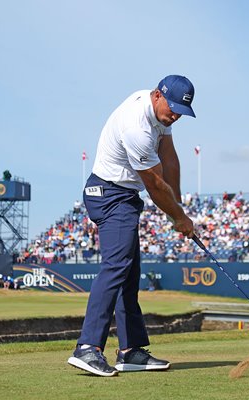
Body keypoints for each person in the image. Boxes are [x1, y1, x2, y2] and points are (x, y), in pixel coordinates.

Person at [67, 75, 196, 377]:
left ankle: (130, 351)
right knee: (116, 266)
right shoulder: (136, 126)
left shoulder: (160, 113)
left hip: (122, 194)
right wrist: (179, 218)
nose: (175, 114)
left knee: (129, 272)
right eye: (173, 107)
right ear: (157, 95)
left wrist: (178, 205)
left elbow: (169, 159)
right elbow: (153, 184)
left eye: (181, 111)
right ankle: (88, 348)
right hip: (110, 194)